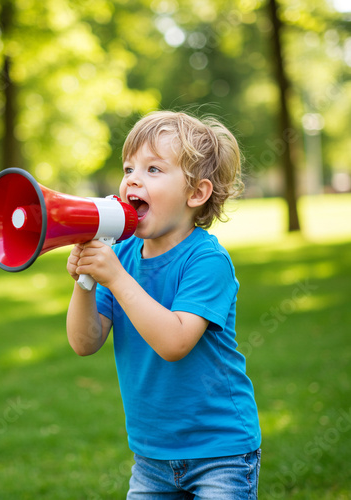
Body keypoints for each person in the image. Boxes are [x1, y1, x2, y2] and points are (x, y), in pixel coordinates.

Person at [66, 110, 261, 499]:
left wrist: (116, 279)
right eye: (129, 168)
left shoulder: (206, 260)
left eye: (154, 170)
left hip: (220, 451)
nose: (133, 178)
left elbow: (174, 343)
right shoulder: (121, 255)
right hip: (151, 456)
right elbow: (84, 343)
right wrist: (85, 283)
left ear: (196, 194)